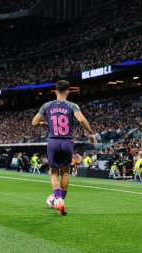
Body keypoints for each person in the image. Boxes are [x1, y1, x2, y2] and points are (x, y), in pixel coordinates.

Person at [32, 80, 97, 216]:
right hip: (67, 142)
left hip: (53, 142)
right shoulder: (72, 105)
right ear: (68, 91)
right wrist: (91, 133)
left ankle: (58, 199)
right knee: (66, 172)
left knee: (54, 173)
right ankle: (61, 200)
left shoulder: (47, 105)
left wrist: (44, 123)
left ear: (55, 91)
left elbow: (34, 122)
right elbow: (81, 119)